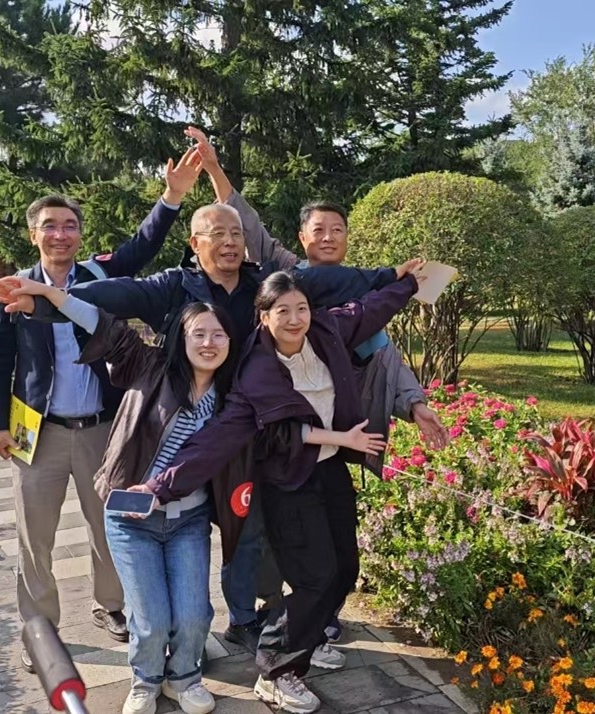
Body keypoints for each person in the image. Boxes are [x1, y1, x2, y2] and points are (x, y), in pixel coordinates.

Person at [8, 200, 415, 655]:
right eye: (217, 234)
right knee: (202, 526)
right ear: (195, 243)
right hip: (194, 431)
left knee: (259, 527)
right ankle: (206, 626)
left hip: (260, 430)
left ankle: (270, 617)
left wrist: (390, 277)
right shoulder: (174, 286)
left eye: (236, 234)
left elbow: (326, 282)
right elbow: (113, 297)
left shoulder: (262, 283)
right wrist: (45, 301)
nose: (229, 242)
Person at [185, 126, 450, 641]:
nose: (328, 237)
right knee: (254, 526)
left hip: (329, 441)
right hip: (270, 430)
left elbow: (385, 356)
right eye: (319, 230)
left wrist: (416, 404)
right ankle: (255, 617)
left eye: (337, 229)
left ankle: (309, 617)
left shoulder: (362, 289)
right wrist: (214, 169)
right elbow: (247, 224)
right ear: (302, 237)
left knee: (319, 536)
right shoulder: (286, 274)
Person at [134, 267, 423, 713]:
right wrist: (161, 486)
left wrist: (409, 284)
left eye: (301, 308)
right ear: (263, 316)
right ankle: (275, 671)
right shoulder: (255, 370)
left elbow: (370, 309)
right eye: (282, 311)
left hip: (330, 470)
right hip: (288, 481)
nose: (294, 319)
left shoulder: (326, 329)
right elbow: (218, 440)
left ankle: (307, 636)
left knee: (345, 569)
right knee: (314, 577)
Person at [0, 148, 203, 672]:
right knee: (35, 535)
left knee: (109, 524)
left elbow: (141, 247)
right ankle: (41, 627)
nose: (60, 234)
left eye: (70, 226)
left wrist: (171, 196)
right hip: (37, 430)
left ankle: (111, 604)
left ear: (80, 234)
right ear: (33, 234)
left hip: (104, 428)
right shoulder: (13, 288)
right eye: (50, 226)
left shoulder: (99, 275)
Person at [0, 274, 246, 714]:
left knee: (193, 615)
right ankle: (146, 679)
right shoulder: (151, 366)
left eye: (218, 334)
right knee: (150, 619)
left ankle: (184, 677)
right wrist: (51, 297)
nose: (209, 343)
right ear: (180, 338)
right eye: (198, 333)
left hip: (189, 519)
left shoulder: (232, 395)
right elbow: (104, 326)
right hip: (131, 520)